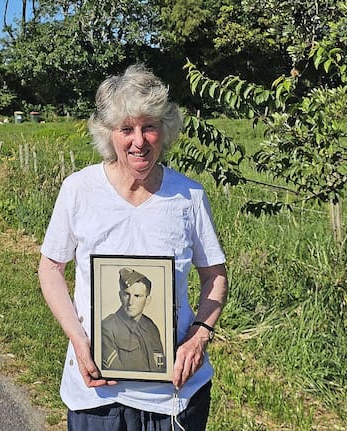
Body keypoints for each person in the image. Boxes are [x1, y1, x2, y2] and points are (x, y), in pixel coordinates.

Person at [38, 64, 228, 430]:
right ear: (109, 134)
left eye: (149, 127)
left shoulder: (188, 196)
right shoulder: (78, 191)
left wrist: (198, 336)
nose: (138, 141)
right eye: (126, 129)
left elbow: (215, 276)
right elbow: (50, 268)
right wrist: (78, 340)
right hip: (97, 396)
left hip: (175, 396)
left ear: (164, 130)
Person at [101, 268, 165, 372]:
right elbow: (116, 373)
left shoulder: (151, 327)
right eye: (127, 294)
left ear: (147, 300)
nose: (131, 302)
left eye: (137, 296)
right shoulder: (107, 328)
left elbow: (161, 368)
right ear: (120, 296)